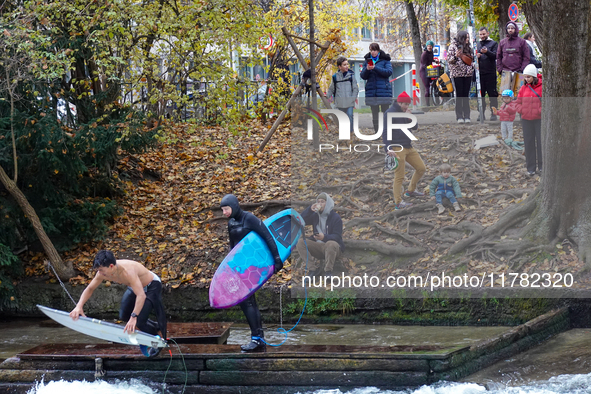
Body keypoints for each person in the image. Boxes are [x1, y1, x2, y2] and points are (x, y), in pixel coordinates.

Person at [69, 250, 167, 358]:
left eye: (101, 270)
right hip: (135, 286)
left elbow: (141, 295)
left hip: (151, 286)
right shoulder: (102, 272)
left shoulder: (128, 271)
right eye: (98, 270)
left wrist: (134, 317)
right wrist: (79, 306)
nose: (99, 273)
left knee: (137, 320)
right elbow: (90, 288)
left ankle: (156, 341)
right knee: (124, 315)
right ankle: (153, 326)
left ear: (111, 266)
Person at [220, 194, 284, 352]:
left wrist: (277, 259)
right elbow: (232, 249)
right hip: (240, 267)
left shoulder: (250, 219)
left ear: (234, 206)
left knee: (248, 301)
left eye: (226, 209)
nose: (224, 213)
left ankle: (257, 339)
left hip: (253, 267)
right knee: (246, 302)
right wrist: (230, 268)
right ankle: (258, 338)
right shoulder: (231, 223)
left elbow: (268, 237)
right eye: (222, 210)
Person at [383, 91, 427, 210]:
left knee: (421, 168)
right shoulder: (390, 113)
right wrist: (388, 148)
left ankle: (410, 190)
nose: (407, 107)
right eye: (405, 104)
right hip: (397, 147)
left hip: (408, 146)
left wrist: (410, 117)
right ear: (399, 102)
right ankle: (398, 202)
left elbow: (415, 127)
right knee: (399, 176)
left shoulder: (405, 113)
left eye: (408, 105)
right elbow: (385, 131)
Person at [296, 193, 344, 277]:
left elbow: (337, 237)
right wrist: (310, 210)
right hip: (318, 246)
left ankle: (328, 272)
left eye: (322, 202)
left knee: (330, 243)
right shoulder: (315, 216)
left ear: (328, 203)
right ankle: (313, 269)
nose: (320, 204)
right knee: (300, 242)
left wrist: (324, 237)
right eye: (318, 202)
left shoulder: (335, 217)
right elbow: (301, 221)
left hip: (333, 248)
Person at [514, 64, 543, 176]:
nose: (526, 79)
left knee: (541, 143)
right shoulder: (523, 88)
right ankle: (531, 168)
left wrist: (539, 111)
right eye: (525, 77)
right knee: (529, 143)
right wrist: (522, 110)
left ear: (534, 76)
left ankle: (542, 166)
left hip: (539, 119)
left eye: (528, 77)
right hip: (526, 120)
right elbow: (517, 103)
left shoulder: (542, 87)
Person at [360, 43, 393, 133]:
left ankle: (387, 132)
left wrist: (375, 68)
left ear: (378, 50)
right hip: (372, 91)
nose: (373, 52)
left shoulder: (385, 59)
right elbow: (363, 76)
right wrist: (367, 69)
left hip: (384, 90)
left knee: (385, 112)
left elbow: (388, 72)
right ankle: (377, 132)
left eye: (374, 50)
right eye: (371, 50)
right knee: (375, 114)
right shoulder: (367, 60)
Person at [447, 30, 474, 123]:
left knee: (466, 95)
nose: (467, 39)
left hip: (468, 74)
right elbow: (449, 60)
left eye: (468, 37)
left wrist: (472, 67)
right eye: (466, 37)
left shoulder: (469, 46)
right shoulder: (452, 46)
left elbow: (472, 59)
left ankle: (467, 116)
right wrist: (456, 56)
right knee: (459, 95)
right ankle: (459, 116)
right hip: (457, 74)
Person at [327, 57, 359, 134]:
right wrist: (327, 96)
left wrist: (352, 98)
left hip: (349, 102)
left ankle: (351, 132)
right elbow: (332, 89)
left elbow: (355, 89)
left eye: (347, 64)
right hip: (340, 102)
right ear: (339, 66)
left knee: (350, 116)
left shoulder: (351, 76)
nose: (346, 66)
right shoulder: (335, 77)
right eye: (344, 65)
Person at [476, 27, 498, 121]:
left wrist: (487, 52)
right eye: (480, 34)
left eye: (484, 34)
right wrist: (476, 56)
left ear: (487, 33)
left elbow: (495, 56)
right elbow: (472, 57)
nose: (482, 36)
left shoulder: (493, 43)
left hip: (490, 73)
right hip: (480, 74)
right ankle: (481, 113)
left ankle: (494, 113)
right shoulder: (477, 44)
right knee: (480, 95)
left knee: (492, 94)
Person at [419, 40, 440, 106]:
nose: (429, 47)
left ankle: (435, 102)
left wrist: (435, 61)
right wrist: (429, 66)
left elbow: (430, 60)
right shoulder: (424, 54)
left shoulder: (431, 53)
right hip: (423, 71)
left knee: (434, 83)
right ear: (426, 46)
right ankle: (427, 104)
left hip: (428, 70)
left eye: (430, 46)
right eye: (428, 46)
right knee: (427, 88)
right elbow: (423, 64)